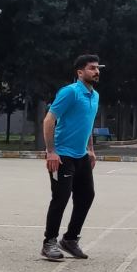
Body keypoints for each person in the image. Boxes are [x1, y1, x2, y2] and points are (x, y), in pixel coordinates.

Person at [41, 55, 103, 261]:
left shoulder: (95, 96)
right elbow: (49, 120)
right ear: (80, 72)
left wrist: (90, 149)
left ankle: (70, 239)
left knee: (87, 196)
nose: (96, 71)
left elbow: (88, 124)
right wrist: (51, 151)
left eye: (97, 68)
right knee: (61, 197)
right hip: (62, 155)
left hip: (81, 155)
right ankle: (49, 242)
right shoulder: (70, 92)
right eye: (92, 68)